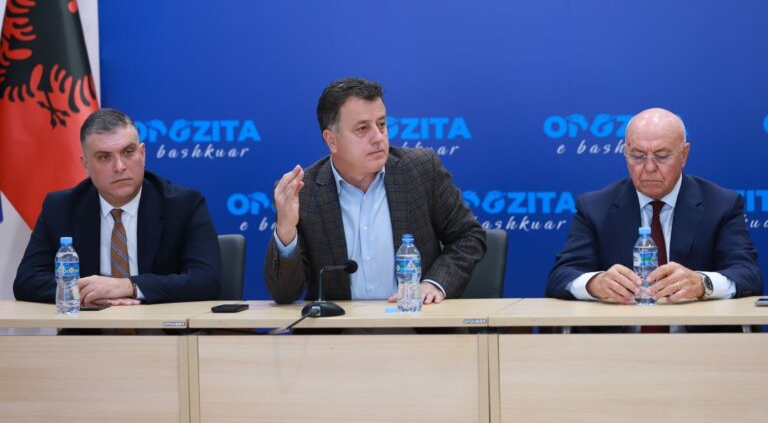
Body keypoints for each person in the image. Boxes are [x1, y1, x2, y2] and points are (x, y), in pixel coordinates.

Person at [264, 77, 486, 305]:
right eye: (362, 129)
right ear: (332, 141)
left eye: (381, 125)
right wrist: (286, 229)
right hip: (338, 325)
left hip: (414, 319)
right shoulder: (303, 192)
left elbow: (468, 236)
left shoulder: (421, 170)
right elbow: (284, 293)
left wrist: (434, 283)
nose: (378, 138)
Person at [547, 107, 762, 305]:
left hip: (696, 332)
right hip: (619, 332)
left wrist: (702, 284)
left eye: (662, 156)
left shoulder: (721, 204)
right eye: (638, 156)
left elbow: (748, 275)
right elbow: (561, 276)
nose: (649, 167)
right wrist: (595, 283)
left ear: (684, 155)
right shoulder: (595, 207)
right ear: (625, 153)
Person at [14, 108, 221, 306]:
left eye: (128, 152)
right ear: (85, 164)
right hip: (89, 327)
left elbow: (206, 281)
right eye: (104, 157)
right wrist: (88, 292)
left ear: (142, 154)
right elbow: (27, 280)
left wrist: (128, 286)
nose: (119, 167)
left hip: (161, 328)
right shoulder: (61, 208)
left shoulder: (184, 205)